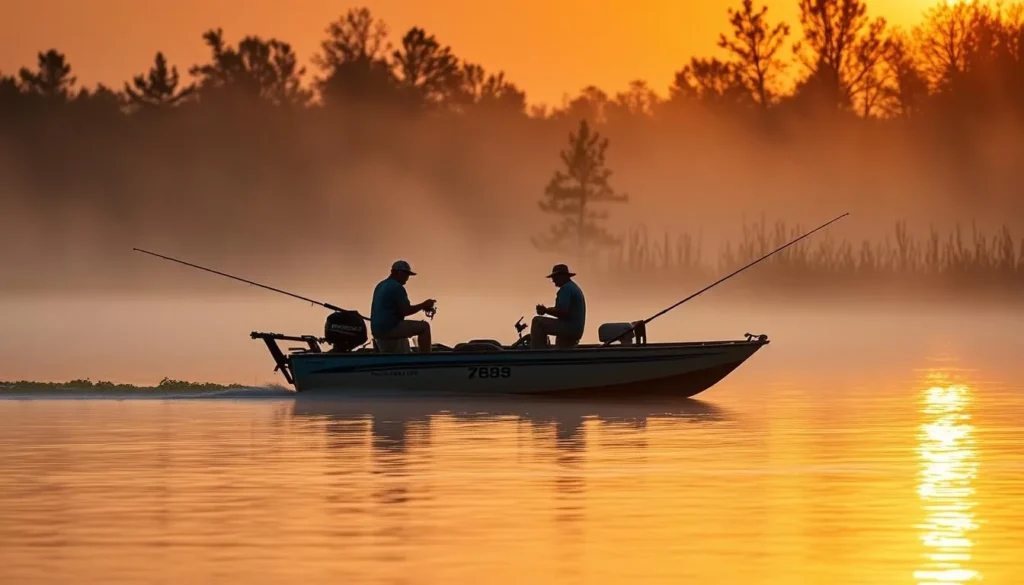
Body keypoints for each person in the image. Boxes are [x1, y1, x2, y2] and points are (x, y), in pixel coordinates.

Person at [370, 260, 436, 353]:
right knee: (424, 327)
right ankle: (427, 359)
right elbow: (406, 310)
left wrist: (422, 307)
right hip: (389, 329)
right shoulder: (397, 287)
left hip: (377, 330)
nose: (407, 278)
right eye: (406, 274)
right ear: (398, 273)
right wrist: (423, 305)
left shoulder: (380, 285)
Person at [531, 264, 586, 349]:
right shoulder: (573, 287)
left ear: (562, 276)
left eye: (554, 277)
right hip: (576, 329)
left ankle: (538, 353)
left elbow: (562, 312)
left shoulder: (566, 289)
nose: (553, 280)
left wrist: (546, 311)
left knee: (537, 321)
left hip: (571, 328)